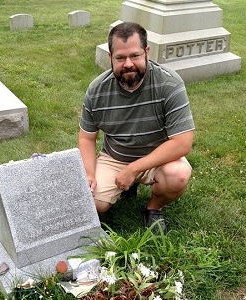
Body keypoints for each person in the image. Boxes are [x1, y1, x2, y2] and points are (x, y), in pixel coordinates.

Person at [78, 22, 195, 232]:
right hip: (115, 157)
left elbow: (183, 143)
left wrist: (133, 169)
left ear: (147, 52)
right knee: (94, 204)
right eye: (120, 58)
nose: (128, 64)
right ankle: (125, 185)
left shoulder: (169, 84)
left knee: (178, 175)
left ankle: (153, 208)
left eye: (135, 55)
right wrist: (89, 174)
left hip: (155, 157)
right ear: (110, 58)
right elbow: (87, 137)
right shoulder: (97, 90)